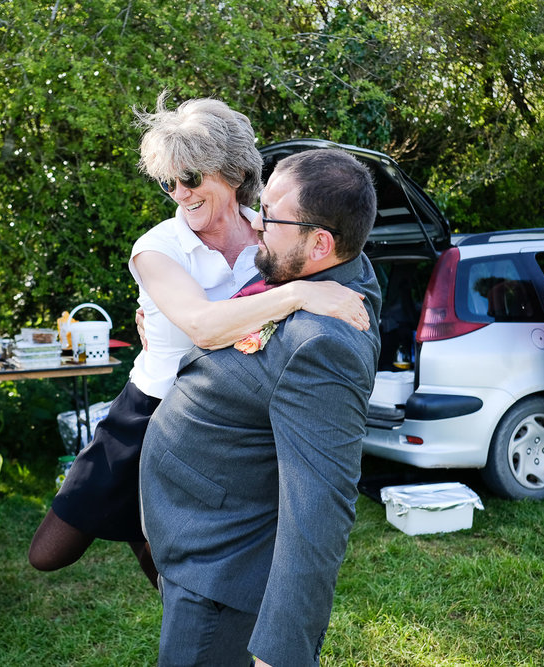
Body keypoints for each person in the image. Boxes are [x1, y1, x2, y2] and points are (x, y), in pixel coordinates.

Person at [27, 96, 369, 587]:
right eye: (169, 182)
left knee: (183, 581)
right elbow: (204, 327)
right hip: (148, 411)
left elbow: (336, 255)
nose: (180, 193)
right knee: (48, 553)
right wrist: (299, 294)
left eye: (190, 177)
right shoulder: (157, 247)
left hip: (222, 418)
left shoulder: (272, 233)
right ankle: (141, 522)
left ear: (230, 171)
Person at [139, 148, 382, 666]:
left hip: (222, 569)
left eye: (269, 215)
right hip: (199, 534)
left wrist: (282, 650)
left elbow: (320, 507)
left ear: (320, 242)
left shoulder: (324, 342)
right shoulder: (313, 272)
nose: (255, 222)